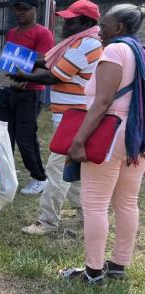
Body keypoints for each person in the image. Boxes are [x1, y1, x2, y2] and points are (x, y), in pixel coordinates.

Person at [61, 4, 145, 285]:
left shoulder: (114, 50)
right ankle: (118, 265)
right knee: (127, 203)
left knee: (95, 205)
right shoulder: (140, 51)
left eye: (104, 26)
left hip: (110, 133)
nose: (99, 32)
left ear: (118, 28)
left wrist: (79, 140)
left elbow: (103, 101)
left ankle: (93, 272)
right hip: (136, 136)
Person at [11, 0, 102, 235]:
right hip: (71, 115)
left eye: (72, 21)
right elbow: (51, 61)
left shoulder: (85, 44)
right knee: (72, 168)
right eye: (65, 19)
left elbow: (55, 75)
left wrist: (22, 73)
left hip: (73, 117)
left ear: (87, 23)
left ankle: (47, 222)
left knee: (57, 169)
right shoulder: (78, 43)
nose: (64, 24)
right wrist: (25, 59)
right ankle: (83, 215)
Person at [0, 0, 55, 195]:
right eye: (17, 9)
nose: (20, 13)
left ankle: (39, 178)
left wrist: (20, 60)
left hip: (30, 92)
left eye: (24, 9)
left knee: (25, 138)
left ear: (35, 10)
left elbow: (46, 60)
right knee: (3, 135)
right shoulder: (12, 32)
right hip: (8, 88)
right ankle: (5, 176)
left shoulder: (42, 33)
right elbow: (7, 59)